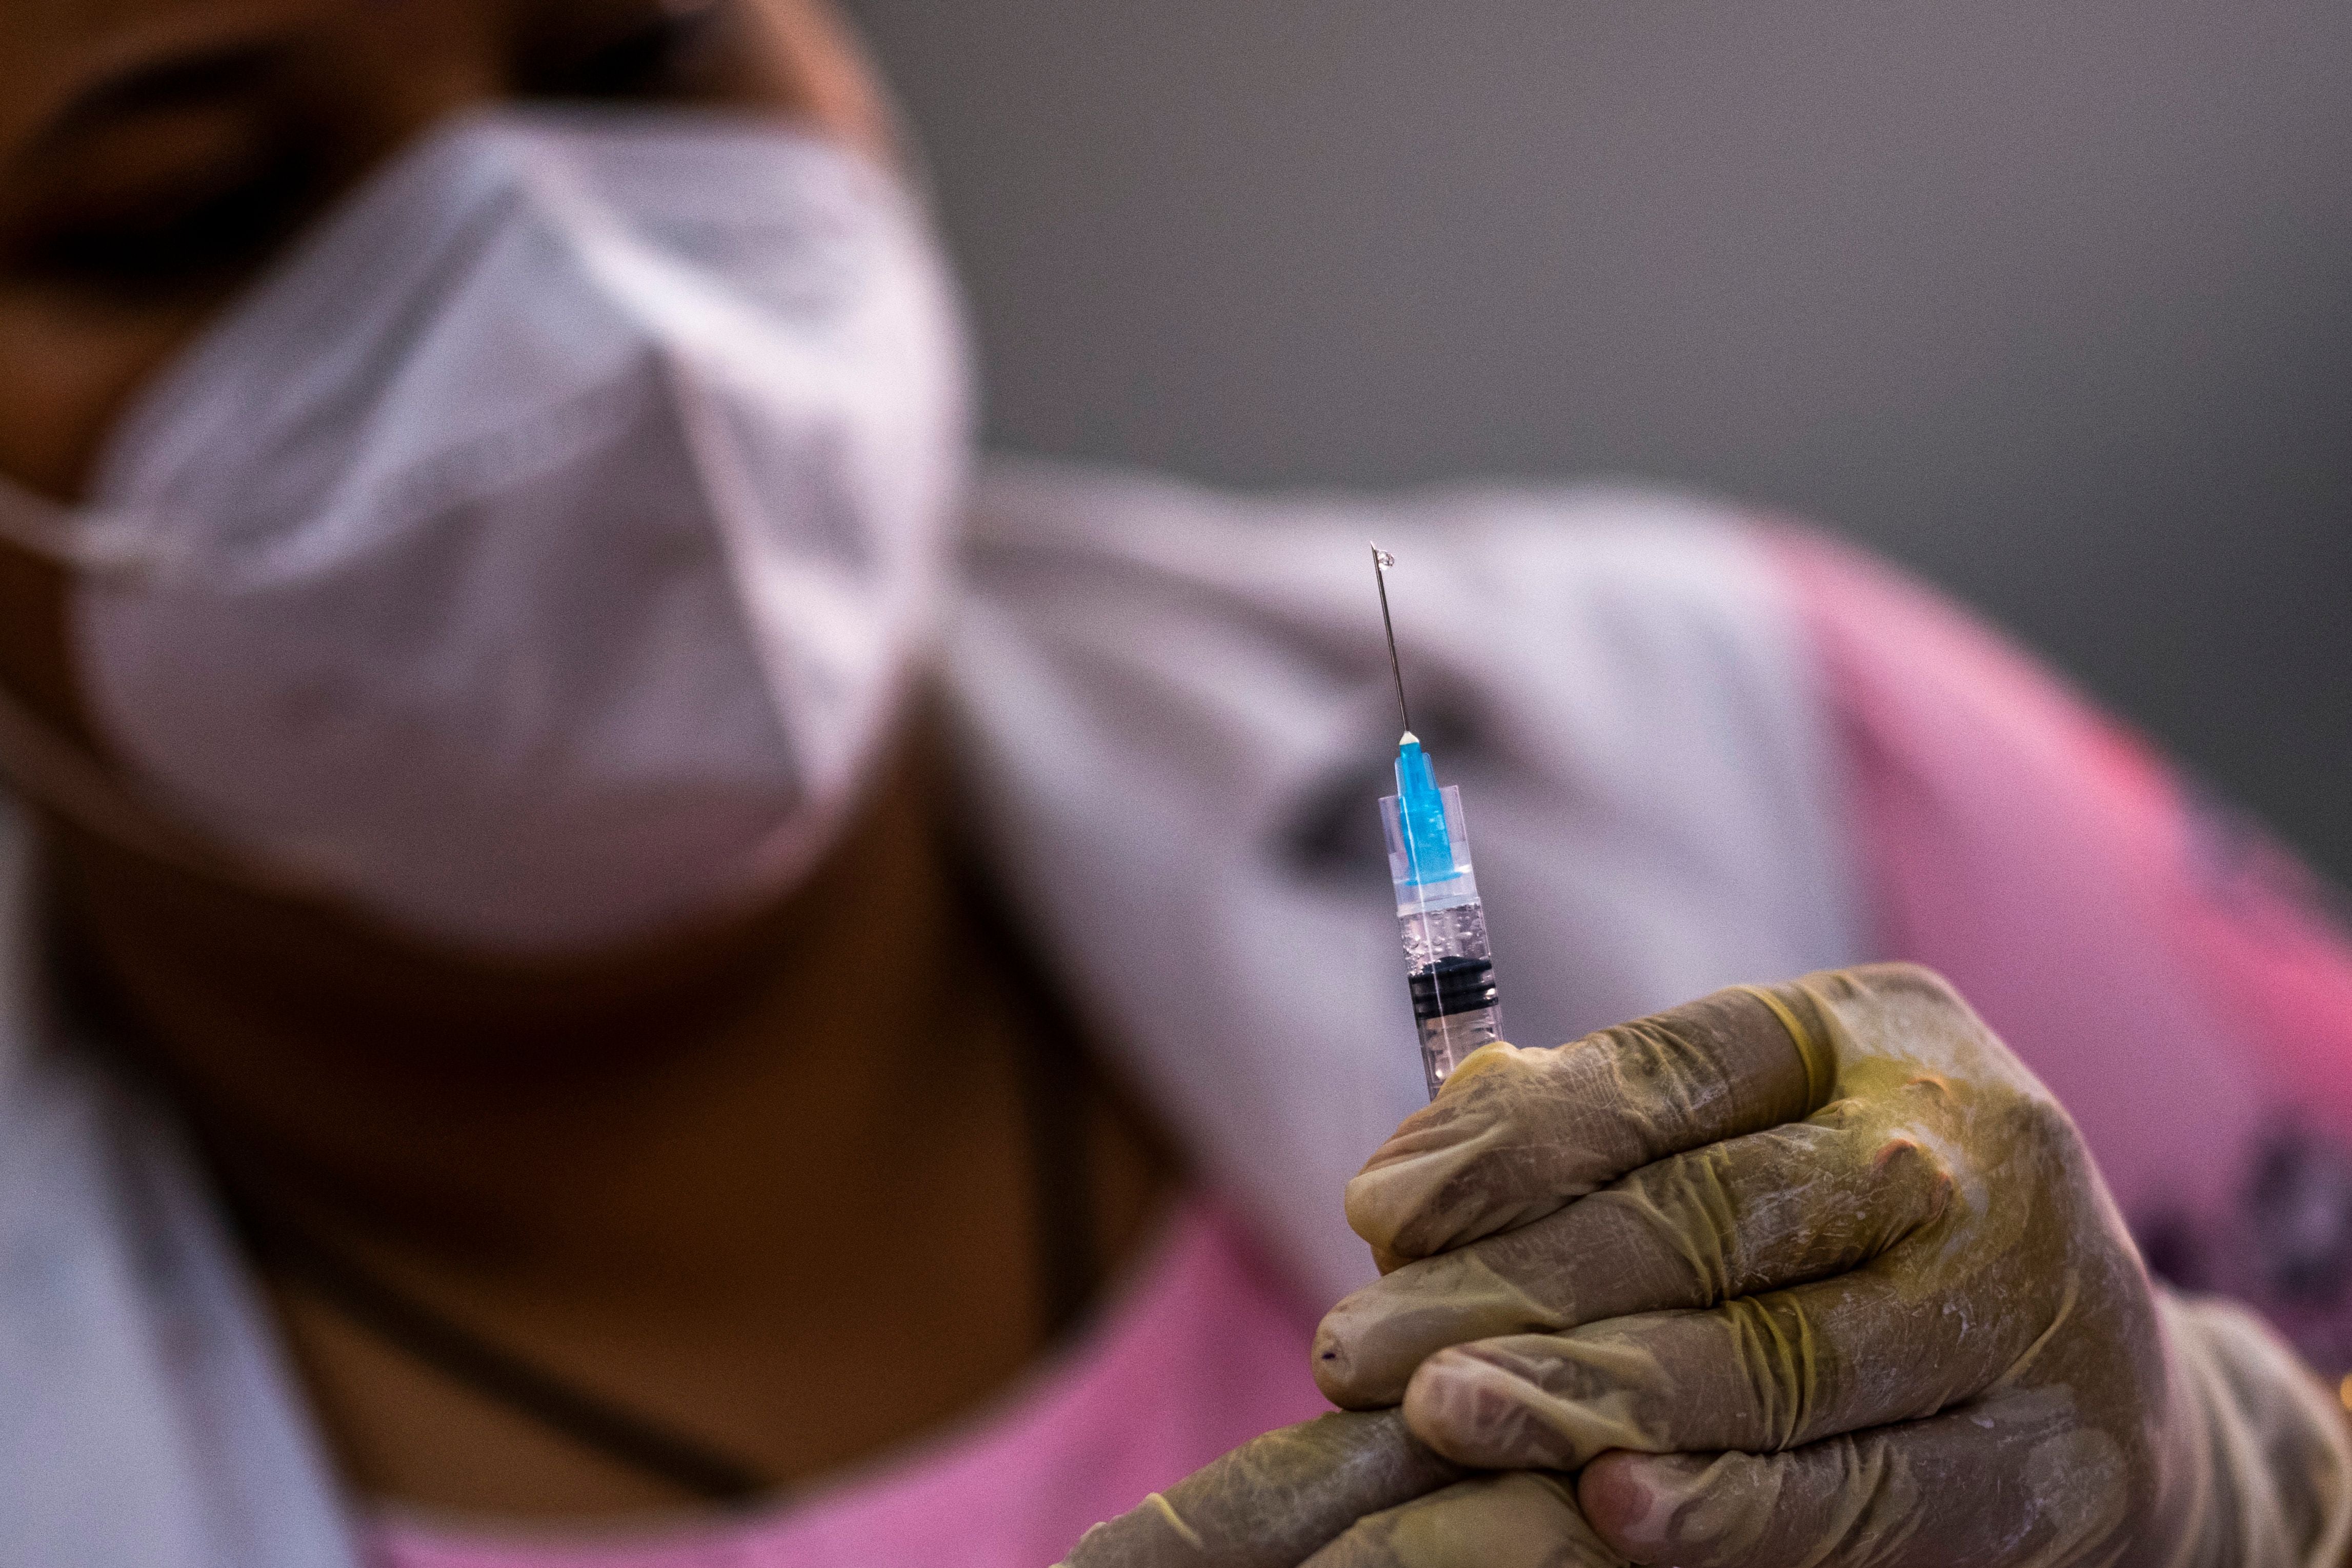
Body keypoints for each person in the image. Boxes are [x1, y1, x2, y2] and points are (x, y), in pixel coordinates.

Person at [0, 3, 2347, 1565]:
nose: (582, 300)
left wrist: (2254, 1503)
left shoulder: (1745, 747)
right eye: (190, 208)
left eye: (640, 42)